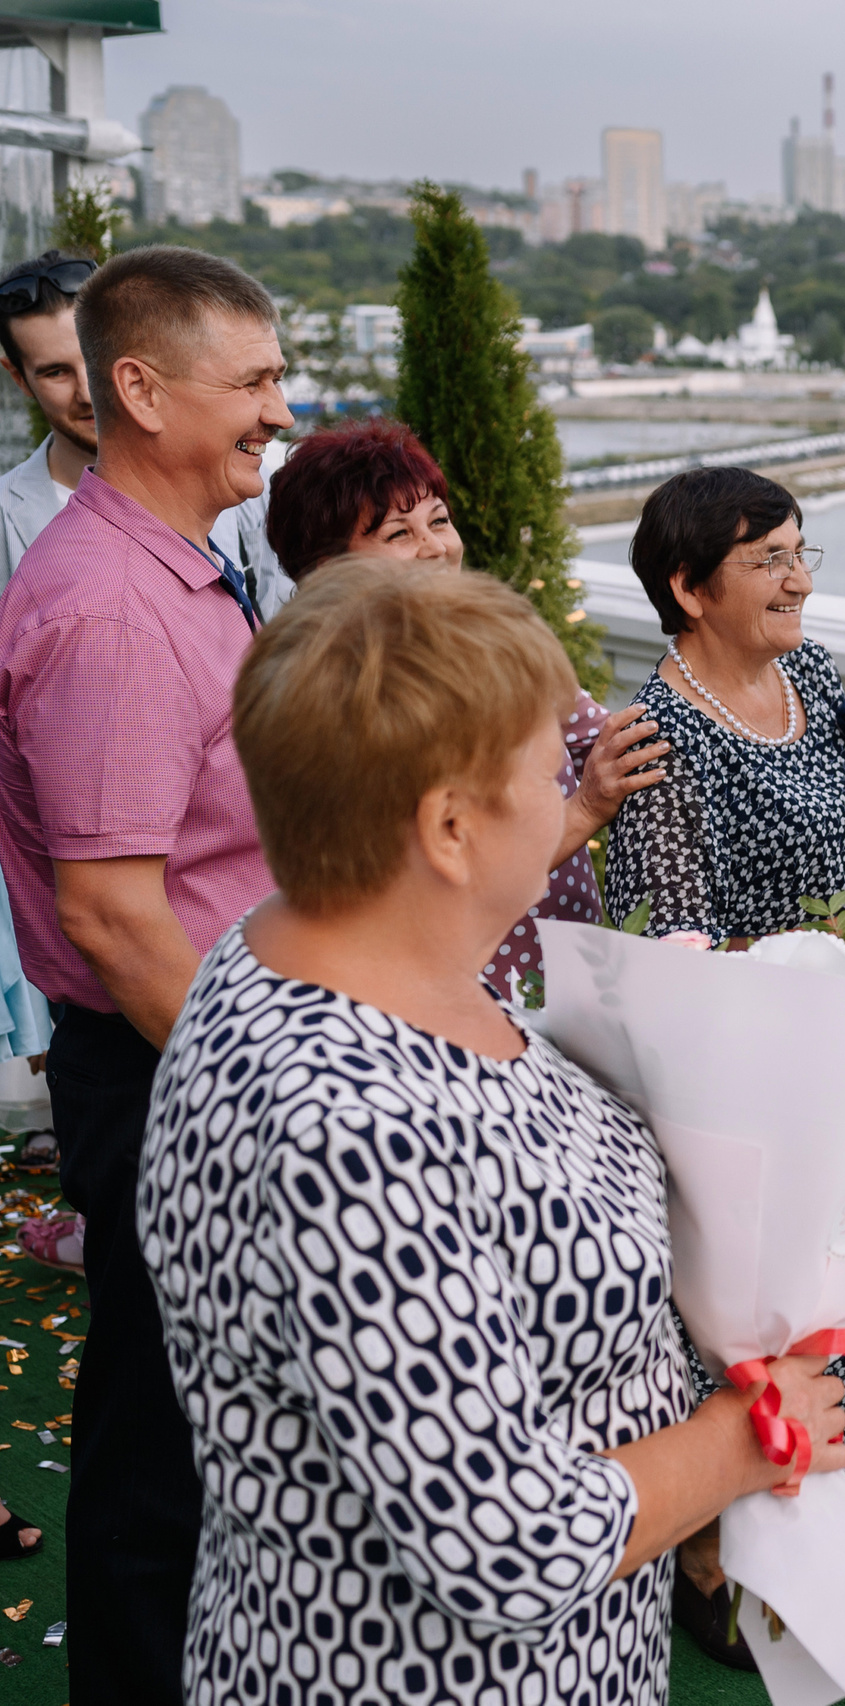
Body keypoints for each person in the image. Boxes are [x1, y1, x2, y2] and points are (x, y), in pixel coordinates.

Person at [139, 559, 845, 1705]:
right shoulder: (342, 1129)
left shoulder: (324, 946)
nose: (573, 788)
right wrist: (744, 1438)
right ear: (452, 826)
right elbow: (508, 1542)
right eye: (549, 769)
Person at [600, 465, 845, 1660]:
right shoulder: (657, 738)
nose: (798, 578)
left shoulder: (810, 671)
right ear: (686, 587)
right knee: (763, 1335)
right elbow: (667, 955)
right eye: (766, 560)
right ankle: (715, 1575)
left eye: (802, 551)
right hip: (754, 1083)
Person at [0, 245, 293, 1703]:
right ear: (141, 387)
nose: (275, 411)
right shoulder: (112, 606)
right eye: (251, 382)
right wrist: (267, 1093)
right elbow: (116, 917)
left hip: (201, 1048)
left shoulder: (187, 563)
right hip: (166, 1064)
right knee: (163, 1438)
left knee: (206, 1422)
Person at [261, 415, 668, 996]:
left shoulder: (486, 642)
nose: (436, 549)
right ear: (330, 570)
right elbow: (435, 876)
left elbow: (595, 736)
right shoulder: (338, 695)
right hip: (453, 998)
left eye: (440, 521)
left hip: (564, 977)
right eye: (400, 535)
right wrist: (584, 808)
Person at [0, 249, 287, 603]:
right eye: (55, 372)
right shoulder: (4, 523)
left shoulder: (245, 489)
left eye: (94, 360)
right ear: (19, 378)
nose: (88, 392)